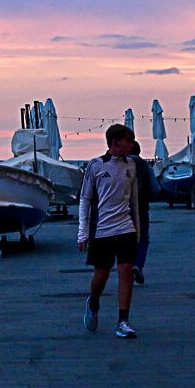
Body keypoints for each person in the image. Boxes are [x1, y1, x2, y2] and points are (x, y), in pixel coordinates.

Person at [78, 124, 141, 338]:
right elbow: (85, 200)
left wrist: (138, 230)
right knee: (102, 274)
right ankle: (93, 302)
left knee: (125, 269)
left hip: (125, 227)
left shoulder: (132, 166)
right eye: (128, 141)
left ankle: (123, 321)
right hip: (102, 230)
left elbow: (134, 202)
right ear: (115, 143)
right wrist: (83, 233)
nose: (131, 145)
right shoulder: (95, 166)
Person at [130, 140, 156, 285]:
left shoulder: (119, 165)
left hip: (121, 209)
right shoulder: (145, 165)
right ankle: (137, 264)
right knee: (143, 238)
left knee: (125, 239)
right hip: (141, 207)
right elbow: (155, 189)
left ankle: (126, 268)